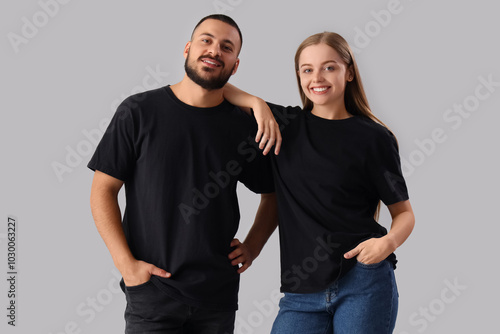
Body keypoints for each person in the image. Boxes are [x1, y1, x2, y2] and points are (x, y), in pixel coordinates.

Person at [88, 14, 280, 334]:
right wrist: (126, 265)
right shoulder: (138, 111)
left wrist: (253, 246)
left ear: (235, 65)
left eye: (226, 47)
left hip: (217, 297)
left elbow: (272, 193)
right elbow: (102, 190)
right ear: (188, 48)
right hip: (152, 292)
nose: (215, 50)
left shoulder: (243, 127)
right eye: (206, 40)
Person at [223, 32, 415, 333]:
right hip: (301, 294)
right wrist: (256, 103)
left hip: (363, 282)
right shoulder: (283, 126)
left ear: (349, 72)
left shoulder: (374, 138)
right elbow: (218, 88)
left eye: (330, 67)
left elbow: (404, 214)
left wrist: (386, 242)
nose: (318, 77)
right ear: (298, 76)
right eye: (307, 69)